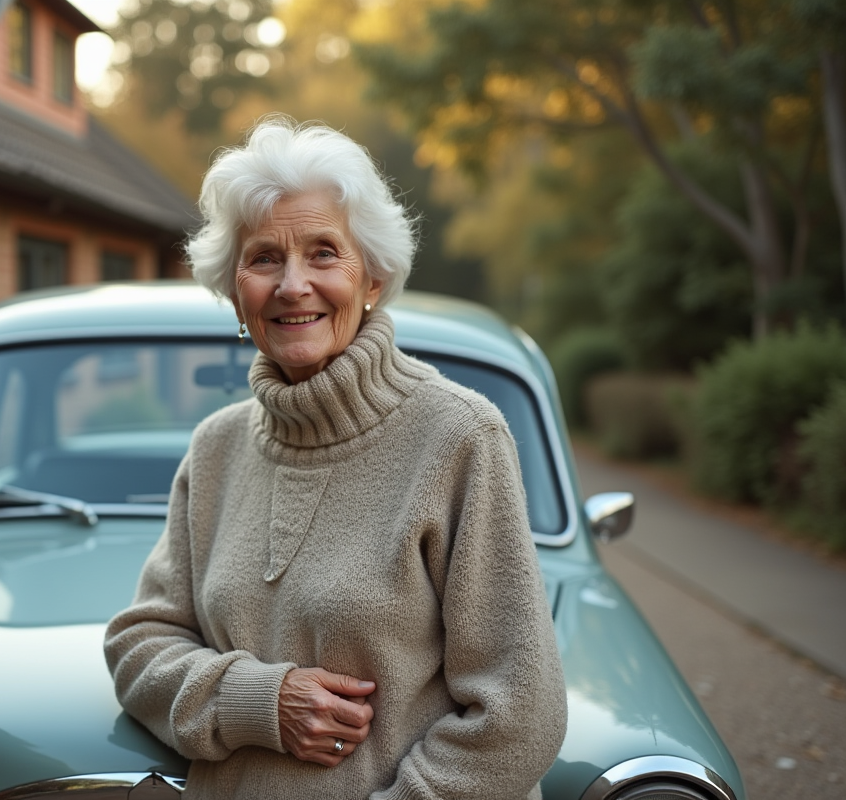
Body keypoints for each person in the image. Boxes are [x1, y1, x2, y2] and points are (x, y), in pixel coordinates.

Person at [104, 117, 567, 800]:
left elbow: (521, 714)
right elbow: (139, 645)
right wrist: (257, 699)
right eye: (264, 258)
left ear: (372, 277)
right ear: (235, 292)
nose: (293, 285)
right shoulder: (216, 448)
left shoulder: (460, 437)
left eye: (323, 253)